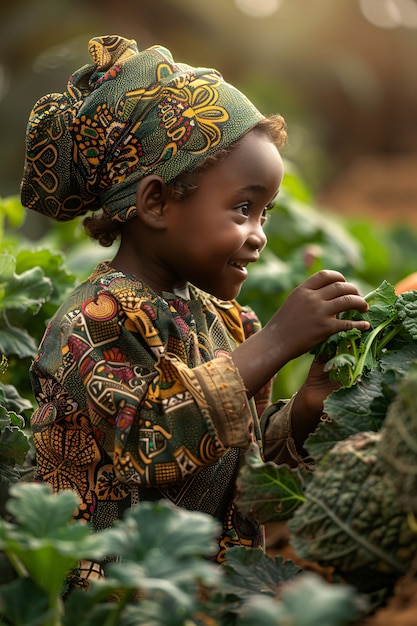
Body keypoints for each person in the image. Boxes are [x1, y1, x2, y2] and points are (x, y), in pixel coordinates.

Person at [20, 35, 370, 582]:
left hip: (208, 592)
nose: (258, 236)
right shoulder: (95, 320)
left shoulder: (222, 319)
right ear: (157, 203)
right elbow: (149, 446)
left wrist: (303, 411)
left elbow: (236, 463)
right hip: (117, 601)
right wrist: (276, 343)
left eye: (266, 213)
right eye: (243, 208)